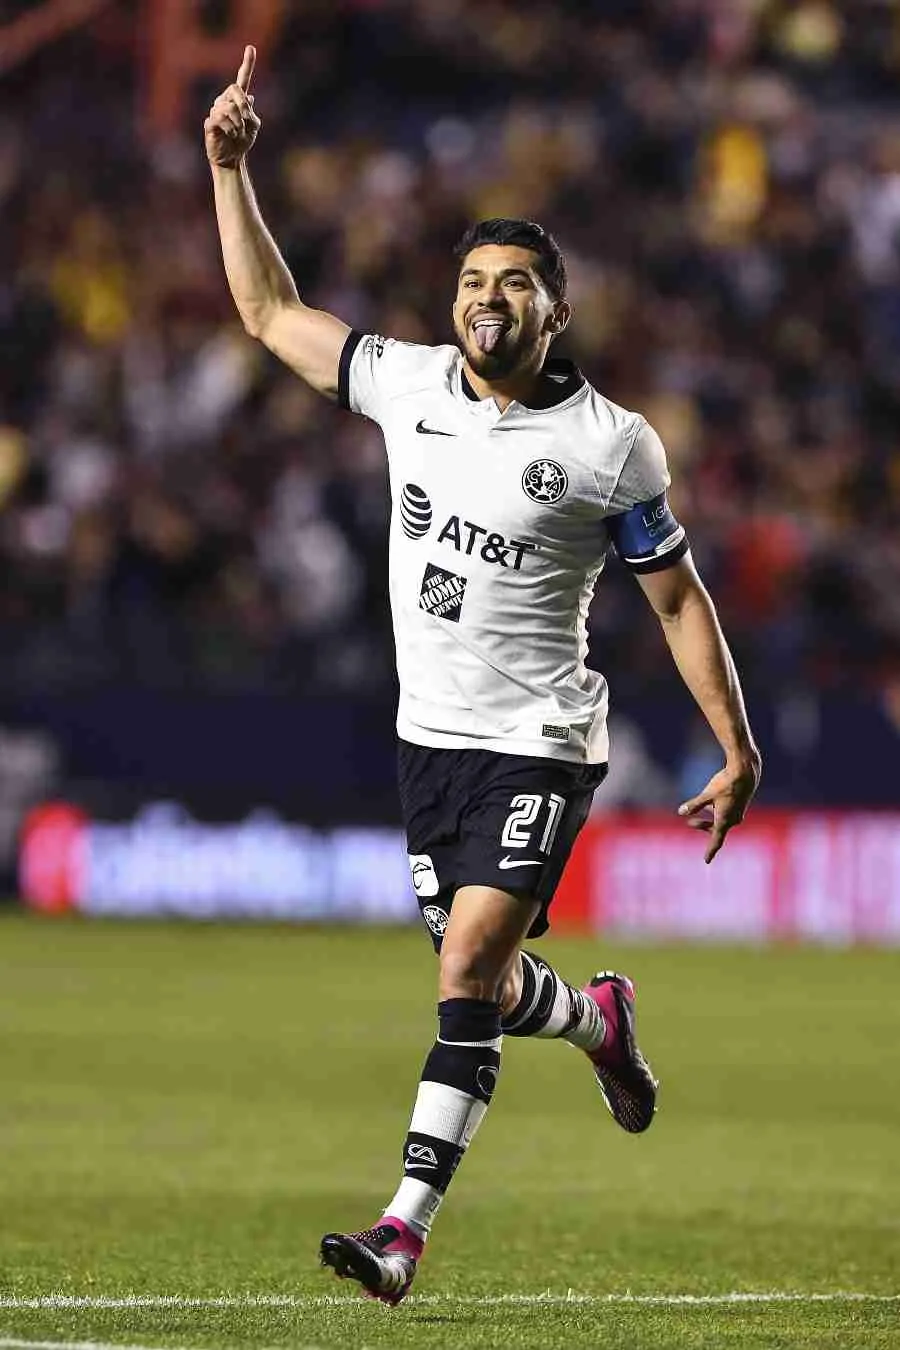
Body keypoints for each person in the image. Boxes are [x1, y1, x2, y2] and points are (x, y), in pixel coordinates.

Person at [205, 47, 762, 1306]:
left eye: (514, 282)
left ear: (555, 310)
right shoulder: (406, 385)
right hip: (429, 745)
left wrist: (737, 746)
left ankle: (401, 1229)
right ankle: (598, 1021)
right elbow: (266, 315)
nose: (485, 298)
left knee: (462, 975)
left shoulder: (612, 446)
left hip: (544, 742)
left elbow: (675, 597)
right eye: (470, 280)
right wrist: (229, 170)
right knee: (496, 986)